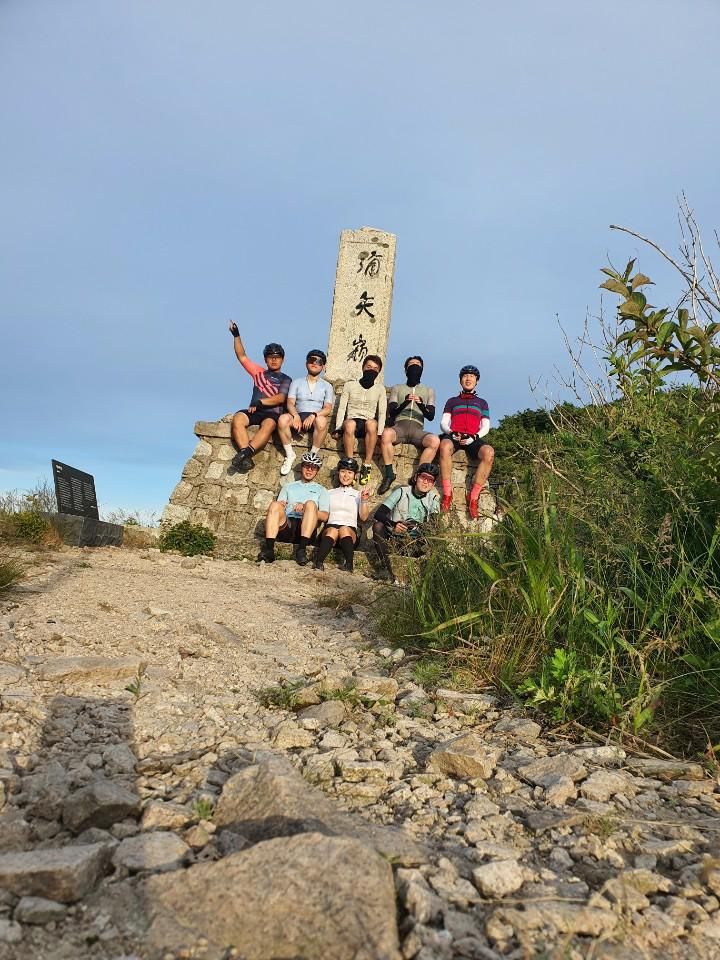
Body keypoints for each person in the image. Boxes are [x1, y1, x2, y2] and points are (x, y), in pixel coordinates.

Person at [228, 322, 292, 472]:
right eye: (270, 357)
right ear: (265, 359)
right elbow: (242, 356)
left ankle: (245, 453)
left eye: (277, 357)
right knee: (238, 418)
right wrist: (236, 335)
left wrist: (260, 402)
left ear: (282, 359)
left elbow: (280, 398)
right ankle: (245, 457)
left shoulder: (286, 379)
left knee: (268, 424)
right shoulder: (259, 372)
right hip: (255, 411)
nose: (274, 360)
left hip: (271, 413)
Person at [438, 365, 494, 518]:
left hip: (473, 437)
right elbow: (443, 423)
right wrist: (451, 433)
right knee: (444, 446)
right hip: (454, 435)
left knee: (489, 453)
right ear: (460, 380)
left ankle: (473, 496)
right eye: (465, 376)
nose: (468, 379)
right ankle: (447, 494)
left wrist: (473, 438)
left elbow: (486, 426)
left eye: (472, 376)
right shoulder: (452, 401)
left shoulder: (482, 403)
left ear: (477, 381)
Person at [378, 355, 440, 494]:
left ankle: (418, 475)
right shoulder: (397, 388)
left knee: (434, 441)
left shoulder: (429, 391)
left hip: (418, 428)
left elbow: (431, 416)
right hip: (400, 426)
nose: (415, 368)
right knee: (386, 434)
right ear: (406, 370)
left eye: (418, 365)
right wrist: (405, 402)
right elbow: (392, 412)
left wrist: (421, 404)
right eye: (411, 365)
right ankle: (389, 474)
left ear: (422, 370)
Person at [371, 462, 441, 581]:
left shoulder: (433, 499)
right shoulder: (402, 491)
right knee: (378, 526)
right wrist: (394, 525)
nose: (425, 482)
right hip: (394, 541)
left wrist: (417, 527)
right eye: (423, 477)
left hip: (415, 544)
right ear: (416, 477)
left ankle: (430, 577)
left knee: (437, 536)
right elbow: (379, 514)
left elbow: (434, 525)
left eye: (430, 480)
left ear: (433, 484)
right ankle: (386, 571)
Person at [257, 452, 329, 566]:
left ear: (317, 471)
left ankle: (301, 550)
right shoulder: (288, 487)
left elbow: (325, 516)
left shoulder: (321, 490)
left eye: (313, 467)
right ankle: (269, 550)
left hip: (306, 527)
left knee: (310, 504)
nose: (309, 470)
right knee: (275, 505)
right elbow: (279, 507)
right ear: (302, 467)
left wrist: (306, 508)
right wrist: (281, 505)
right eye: (307, 466)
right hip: (288, 525)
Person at [277, 349, 335, 475]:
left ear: (323, 366)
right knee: (282, 419)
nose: (314, 363)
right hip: (299, 414)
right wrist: (295, 416)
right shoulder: (296, 382)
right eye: (311, 360)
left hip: (315, 417)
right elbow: (290, 403)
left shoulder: (327, 386)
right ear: (306, 363)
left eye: (318, 361)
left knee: (322, 421)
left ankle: (312, 455)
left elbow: (327, 408)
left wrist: (314, 415)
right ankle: (290, 454)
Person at [333, 355, 387, 486]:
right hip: (352, 419)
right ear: (363, 368)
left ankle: (367, 464)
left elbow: (382, 412)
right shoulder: (350, 385)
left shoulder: (380, 389)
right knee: (350, 424)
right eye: (369, 367)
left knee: (372, 423)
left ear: (378, 372)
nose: (371, 370)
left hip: (368, 422)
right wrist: (338, 428)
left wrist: (380, 433)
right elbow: (342, 408)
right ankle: (350, 462)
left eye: (375, 369)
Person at [313, 457, 370, 572]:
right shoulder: (329, 493)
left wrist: (364, 500)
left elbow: (364, 518)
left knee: (344, 529)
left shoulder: (358, 494)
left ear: (355, 476)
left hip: (349, 532)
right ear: (338, 473)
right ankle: (318, 563)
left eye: (350, 472)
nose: (346, 475)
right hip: (330, 530)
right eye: (343, 471)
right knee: (333, 530)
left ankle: (349, 564)